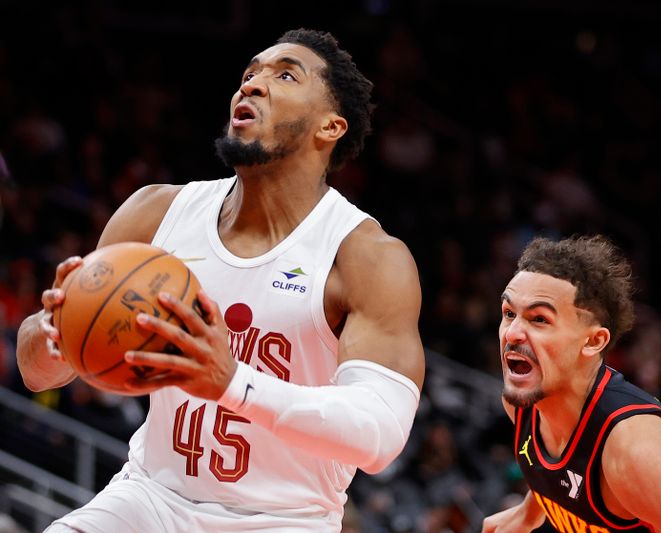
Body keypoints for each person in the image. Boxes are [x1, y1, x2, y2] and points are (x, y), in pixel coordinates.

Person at [16, 28, 425, 532]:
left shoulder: (364, 257)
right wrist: (58, 332)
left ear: (330, 127)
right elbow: (37, 374)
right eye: (249, 74)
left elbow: (378, 437)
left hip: (285, 518)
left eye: (285, 75)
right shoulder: (156, 213)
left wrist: (233, 383)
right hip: (152, 497)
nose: (251, 85)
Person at [482, 235, 661, 533]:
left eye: (539, 319)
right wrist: (528, 513)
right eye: (509, 314)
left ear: (593, 342)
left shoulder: (632, 451)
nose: (513, 333)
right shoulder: (524, 404)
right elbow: (563, 470)